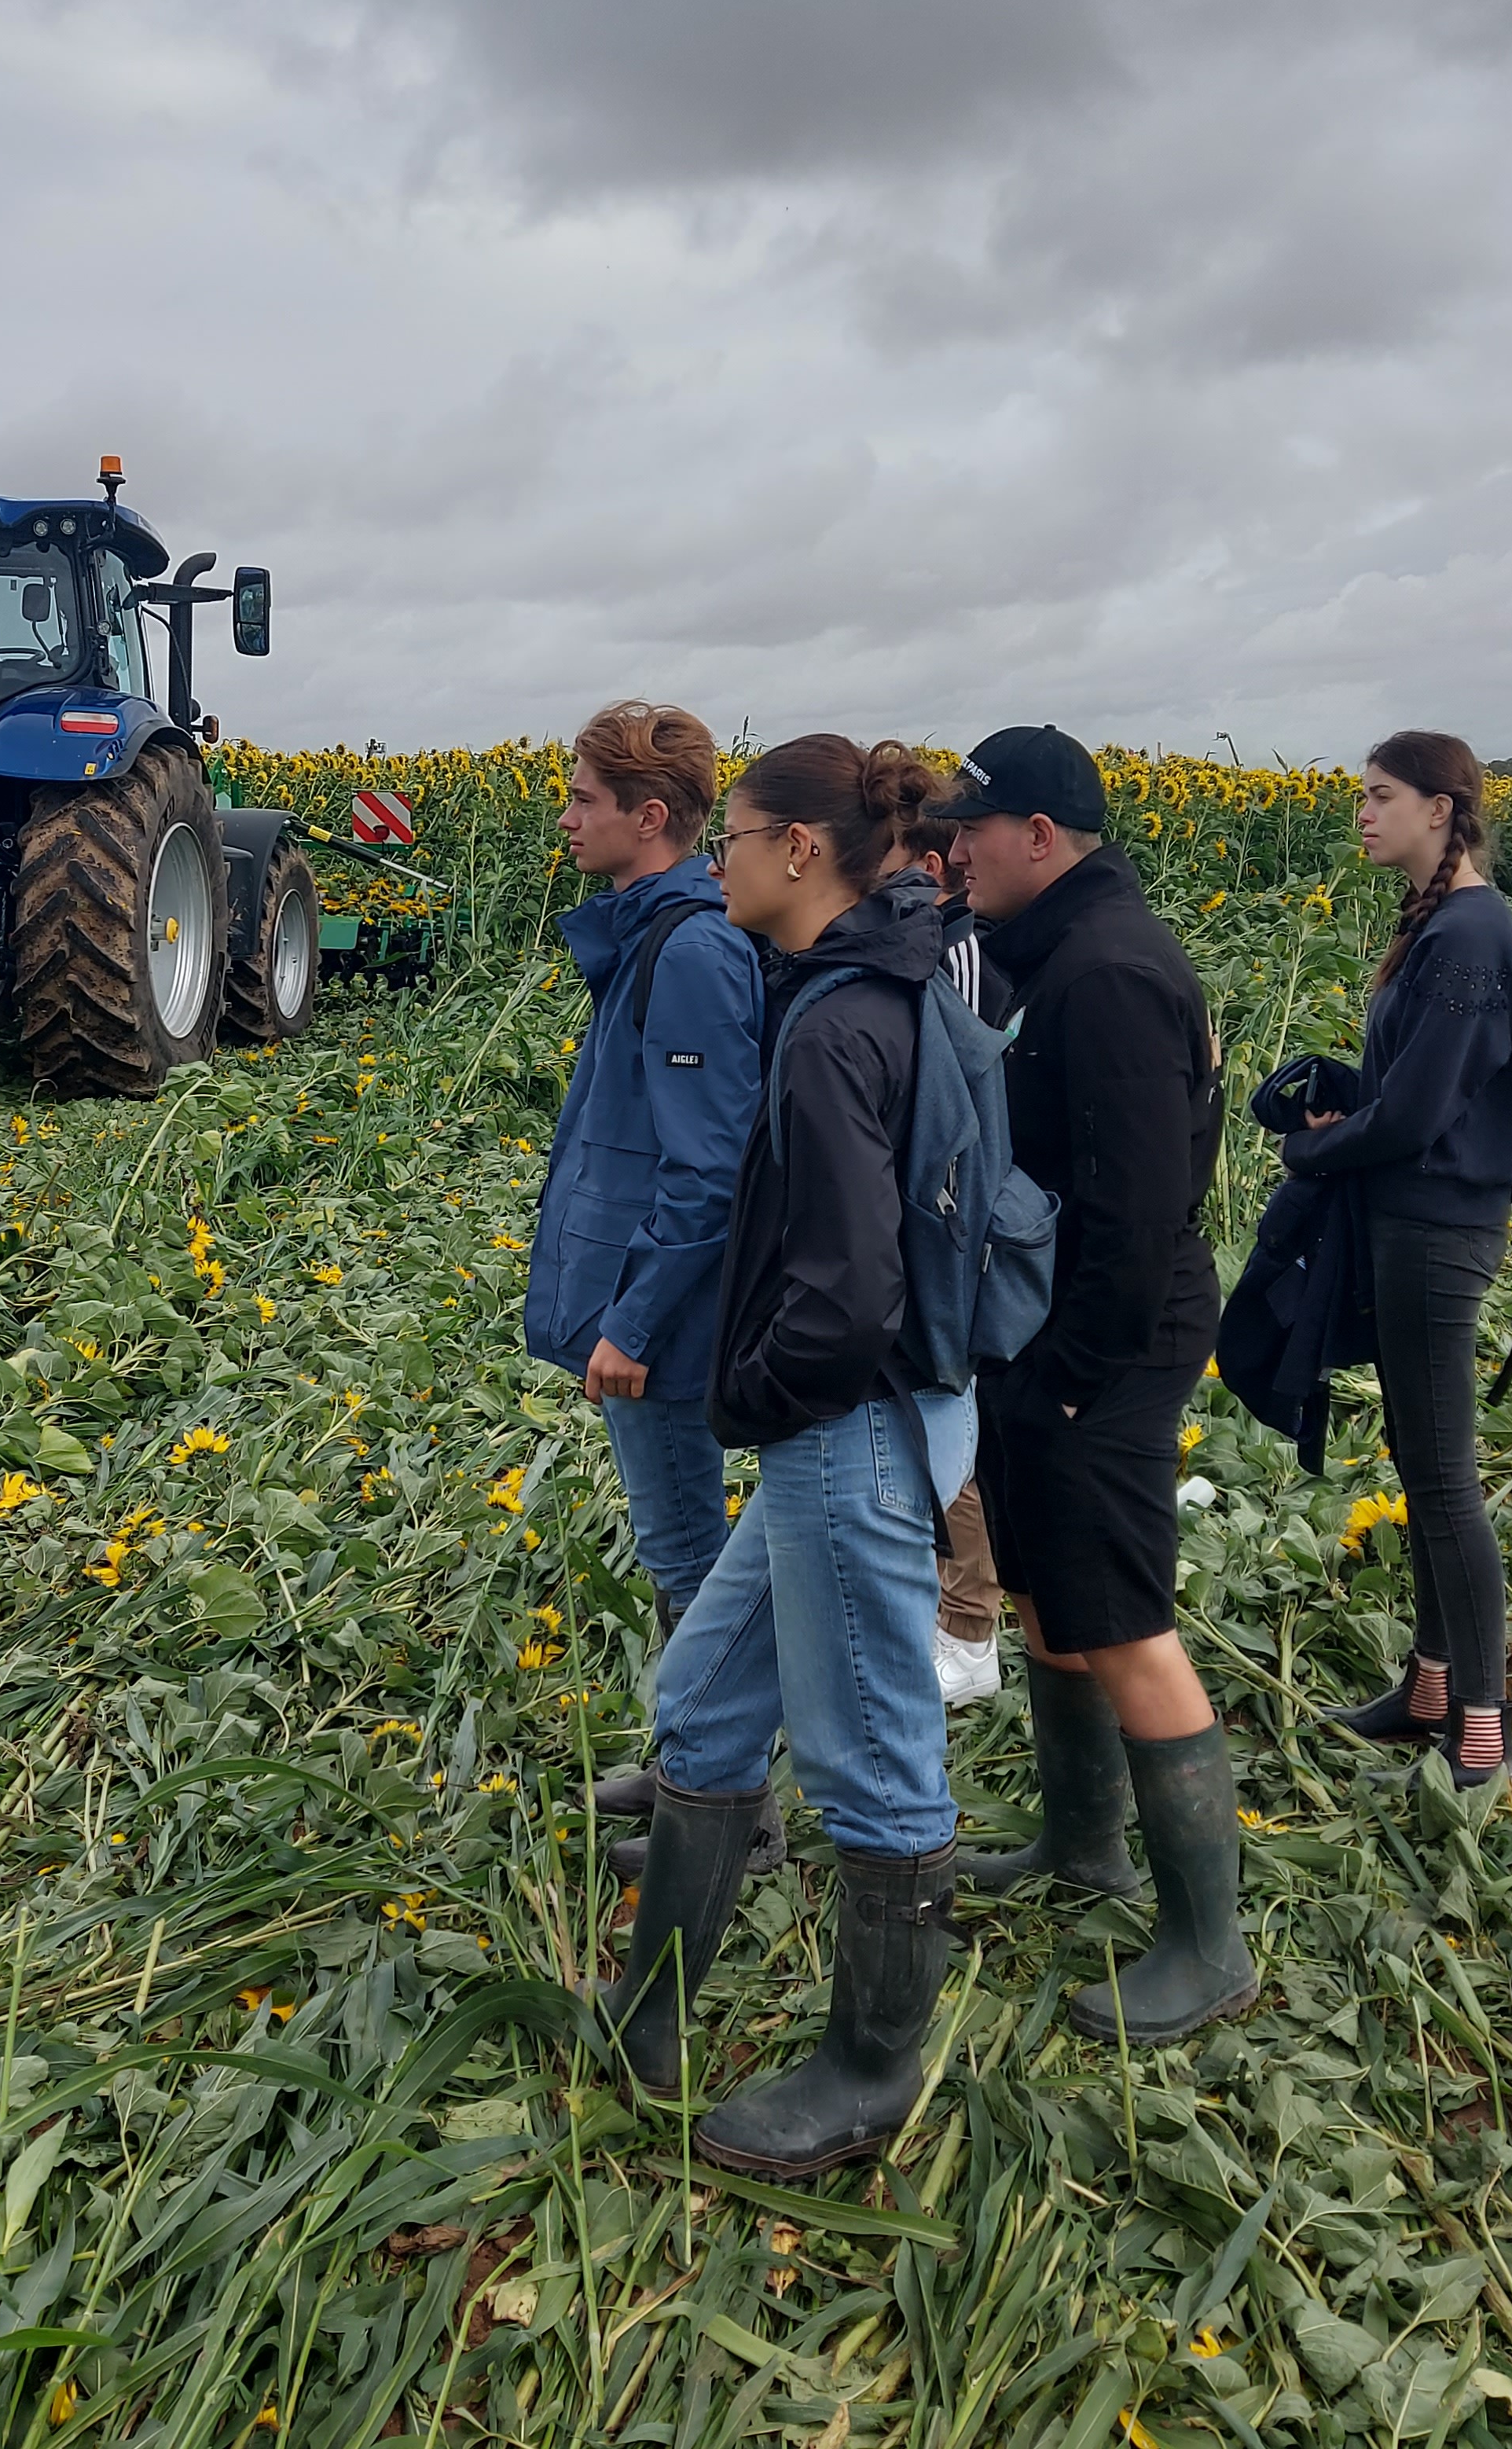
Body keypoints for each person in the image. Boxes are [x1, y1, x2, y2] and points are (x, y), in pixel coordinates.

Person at [599, 733, 967, 2179]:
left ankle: (870, 2073)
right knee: (701, 1693)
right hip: (875, 1415)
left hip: (846, 1428)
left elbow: (849, 1291)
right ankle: (651, 2011)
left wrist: (751, 1395)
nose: (721, 864)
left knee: (870, 1756)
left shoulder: (831, 1028)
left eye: (737, 838)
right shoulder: (889, 978)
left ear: (800, 850)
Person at [943, 725, 1253, 2046]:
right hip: (1049, 1336)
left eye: (970, 828)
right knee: (1046, 1589)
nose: (952, 850)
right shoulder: (1056, 950)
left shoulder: (1111, 973)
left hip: (1104, 1345)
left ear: (1038, 836)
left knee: (1123, 1619)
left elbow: (1138, 1210)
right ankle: (1083, 1847)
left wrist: (1072, 1379)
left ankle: (1209, 1946)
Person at [523, 704, 776, 1864]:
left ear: (651, 815)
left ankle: (728, 1814)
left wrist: (630, 1323)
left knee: (687, 1553)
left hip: (663, 1314)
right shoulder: (652, 935)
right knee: (678, 1544)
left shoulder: (690, 950)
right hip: (639, 1295)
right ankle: (694, 1770)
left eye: (584, 798)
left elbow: (708, 1168)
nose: (566, 818)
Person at [1280, 732, 1512, 1786]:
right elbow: (1417, 1088)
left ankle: (1482, 1727)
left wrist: (1313, 1149)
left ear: (1441, 809)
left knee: (1441, 1476)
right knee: (1420, 1459)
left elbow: (1419, 1114)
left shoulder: (1470, 932)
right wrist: (1341, 1096)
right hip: (1411, 1218)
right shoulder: (1437, 923)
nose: (1362, 812)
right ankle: (1431, 1684)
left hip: (1438, 1230)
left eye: (1380, 795)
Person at [890, 786, 1015, 1709]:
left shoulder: (953, 958)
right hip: (947, 1237)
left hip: (959, 1238)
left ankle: (970, 1626)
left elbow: (958, 1121)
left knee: (949, 1431)